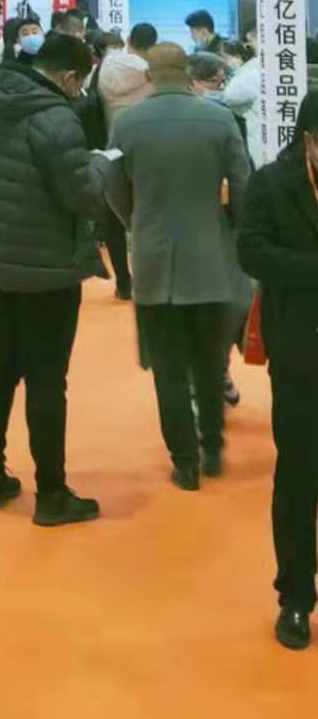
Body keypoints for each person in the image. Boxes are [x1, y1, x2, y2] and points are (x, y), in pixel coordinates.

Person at [0, 31, 109, 526]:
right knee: (47, 381)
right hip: (47, 269)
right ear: (69, 77)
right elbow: (81, 194)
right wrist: (100, 165)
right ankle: (51, 493)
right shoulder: (55, 118)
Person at [106, 43, 252, 491]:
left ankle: (184, 462)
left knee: (168, 369)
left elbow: (112, 185)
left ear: (149, 75)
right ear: (187, 73)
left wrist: (136, 222)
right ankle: (213, 446)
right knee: (208, 362)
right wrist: (235, 230)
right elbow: (242, 182)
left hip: (154, 261)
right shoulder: (219, 119)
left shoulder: (127, 124)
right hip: (210, 258)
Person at [238, 92, 318, 650]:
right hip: (299, 353)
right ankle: (294, 596)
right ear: (308, 139)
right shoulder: (271, 183)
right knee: (297, 476)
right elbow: (251, 252)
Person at [99, 21, 157, 131]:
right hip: (144, 136)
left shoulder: (105, 66)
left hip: (110, 136)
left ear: (128, 40)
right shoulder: (154, 76)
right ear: (153, 46)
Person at [219, 29, 261, 165]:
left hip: (257, 138)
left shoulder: (250, 73)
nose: (248, 46)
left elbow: (229, 97)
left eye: (251, 42)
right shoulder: (251, 70)